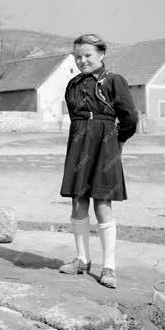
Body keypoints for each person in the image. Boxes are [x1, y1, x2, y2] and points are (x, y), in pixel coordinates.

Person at [58, 34, 138, 289]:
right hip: (79, 142)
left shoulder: (114, 81)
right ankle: (82, 260)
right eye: (78, 56)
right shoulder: (72, 85)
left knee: (102, 202)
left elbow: (130, 118)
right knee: (78, 201)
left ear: (101, 54)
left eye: (88, 56)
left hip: (106, 143)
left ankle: (109, 267)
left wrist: (119, 142)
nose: (82, 61)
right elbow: (74, 117)